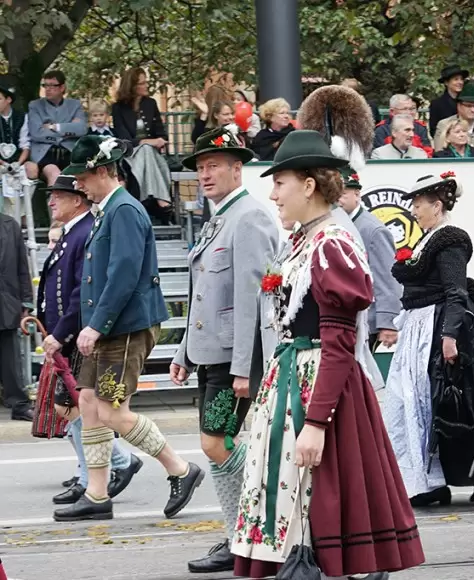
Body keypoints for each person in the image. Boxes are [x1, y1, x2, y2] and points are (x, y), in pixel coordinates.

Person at [230, 127, 424, 579]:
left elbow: (338, 343)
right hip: (293, 381)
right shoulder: (306, 239)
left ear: (310, 185)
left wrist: (315, 423)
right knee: (298, 501)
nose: (273, 194)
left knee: (320, 501)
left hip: (319, 387)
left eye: (281, 182)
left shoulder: (331, 243)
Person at [53, 136, 203, 522]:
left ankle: (180, 469)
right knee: (88, 403)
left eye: (83, 177)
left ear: (103, 171)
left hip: (124, 327)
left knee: (113, 411)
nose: (78, 185)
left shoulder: (123, 211)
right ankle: (97, 494)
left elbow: (122, 272)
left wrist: (95, 325)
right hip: (111, 326)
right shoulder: (109, 209)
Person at [167, 126, 279, 573]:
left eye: (214, 166)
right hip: (211, 357)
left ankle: (244, 533)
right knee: (222, 443)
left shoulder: (248, 217)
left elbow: (256, 298)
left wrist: (244, 368)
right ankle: (244, 531)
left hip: (234, 359)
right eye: (200, 167)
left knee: (215, 443)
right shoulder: (220, 217)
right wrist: (183, 352)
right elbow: (205, 296)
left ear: (238, 168)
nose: (205, 174)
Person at [383, 171, 474, 508]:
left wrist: (449, 337)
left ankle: (453, 477)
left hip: (438, 329)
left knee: (447, 404)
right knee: (415, 403)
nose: (414, 210)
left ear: (436, 205)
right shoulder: (429, 237)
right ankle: (427, 479)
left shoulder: (449, 239)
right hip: (420, 327)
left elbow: (455, 291)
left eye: (419, 203)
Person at [38, 176, 141, 505]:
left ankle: (111, 466)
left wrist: (62, 333)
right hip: (71, 333)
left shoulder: (85, 232)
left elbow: (81, 291)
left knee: (80, 406)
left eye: (58, 196)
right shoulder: (74, 233)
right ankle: (104, 467)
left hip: (80, 332)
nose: (52, 202)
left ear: (77, 200)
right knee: (71, 406)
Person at [334, 169, 401, 349]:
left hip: (365, 321)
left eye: (342, 193)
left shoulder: (373, 230)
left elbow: (387, 277)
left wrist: (387, 321)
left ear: (357, 194)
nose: (337, 199)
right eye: (334, 194)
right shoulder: (337, 224)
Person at [110, 67, 173, 223]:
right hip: (130, 155)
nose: (146, 86)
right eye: (142, 83)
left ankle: (142, 203)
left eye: (146, 83)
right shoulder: (118, 108)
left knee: (147, 151)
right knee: (145, 149)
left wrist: (155, 142)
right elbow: (124, 138)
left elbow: (162, 134)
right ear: (132, 86)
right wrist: (147, 141)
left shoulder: (151, 104)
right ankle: (162, 199)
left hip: (151, 155)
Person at [0, 211, 33, 421]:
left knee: (10, 359)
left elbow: (22, 266)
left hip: (6, 302)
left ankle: (19, 405)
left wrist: (26, 301)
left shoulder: (9, 225)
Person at [27, 71, 86, 186]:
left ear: (62, 87)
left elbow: (82, 129)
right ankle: (54, 202)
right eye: (45, 85)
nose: (48, 89)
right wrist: (68, 130)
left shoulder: (74, 105)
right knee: (54, 173)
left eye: (52, 85)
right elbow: (36, 133)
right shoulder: (35, 106)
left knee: (79, 179)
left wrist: (55, 127)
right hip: (45, 153)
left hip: (69, 152)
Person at [432, 83, 474, 154]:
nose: (473, 110)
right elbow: (439, 154)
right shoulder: (444, 124)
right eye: (468, 106)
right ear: (458, 106)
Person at [0, 84, 32, 219]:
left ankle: (24, 213)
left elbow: (25, 145)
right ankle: (5, 215)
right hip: (1, 161)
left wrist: (18, 163)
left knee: (32, 169)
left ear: (8, 100)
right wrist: (3, 164)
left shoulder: (22, 116)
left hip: (19, 159)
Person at [429, 64, 469, 136]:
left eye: (461, 79)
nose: (460, 82)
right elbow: (434, 130)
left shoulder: (468, 101)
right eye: (456, 79)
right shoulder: (437, 104)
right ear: (446, 82)